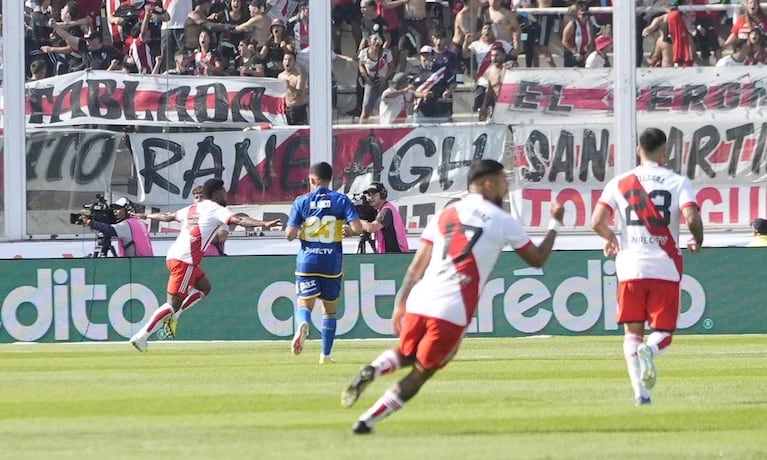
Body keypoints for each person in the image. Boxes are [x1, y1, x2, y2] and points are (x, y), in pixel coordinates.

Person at [341, 159, 565, 434]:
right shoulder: (504, 221)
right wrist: (555, 222)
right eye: (504, 181)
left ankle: (374, 368)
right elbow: (538, 259)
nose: (507, 187)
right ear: (488, 184)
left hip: (421, 298)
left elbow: (416, 265)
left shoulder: (446, 213)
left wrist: (401, 302)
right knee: (422, 371)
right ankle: (366, 421)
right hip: (452, 307)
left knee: (407, 354)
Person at [591, 127, 704, 406]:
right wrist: (698, 239)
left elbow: (596, 221)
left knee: (632, 334)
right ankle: (650, 352)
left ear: (638, 150)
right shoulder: (678, 182)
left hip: (630, 267)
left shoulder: (620, 182)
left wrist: (611, 238)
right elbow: (691, 215)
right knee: (663, 333)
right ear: (664, 152)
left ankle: (641, 393)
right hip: (664, 266)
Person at [129, 178, 281, 350]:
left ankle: (175, 315)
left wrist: (146, 215)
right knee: (172, 304)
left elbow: (168, 216)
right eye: (223, 192)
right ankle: (142, 336)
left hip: (175, 256)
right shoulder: (216, 209)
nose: (226, 195)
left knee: (204, 288)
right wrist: (265, 223)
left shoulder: (194, 208)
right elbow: (239, 220)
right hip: (185, 261)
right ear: (217, 194)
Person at [285, 162, 363, 364]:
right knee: (330, 311)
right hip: (331, 262)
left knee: (304, 303)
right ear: (331, 180)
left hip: (307, 261)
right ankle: (325, 356)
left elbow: (289, 235)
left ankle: (303, 323)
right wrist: (349, 230)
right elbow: (357, 227)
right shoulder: (341, 200)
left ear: (311, 179)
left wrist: (301, 228)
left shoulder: (301, 201)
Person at [79, 197, 154, 257]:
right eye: (114, 209)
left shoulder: (127, 224)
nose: (114, 211)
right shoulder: (138, 222)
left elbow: (110, 229)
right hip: (145, 262)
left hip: (134, 265)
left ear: (127, 210)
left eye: (118, 208)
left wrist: (89, 222)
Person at [359, 181, 409, 253]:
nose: (370, 198)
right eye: (369, 195)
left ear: (382, 195)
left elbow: (371, 228)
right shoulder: (380, 210)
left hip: (396, 255)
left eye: (374, 194)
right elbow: (366, 226)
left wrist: (355, 220)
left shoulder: (386, 210)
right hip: (390, 255)